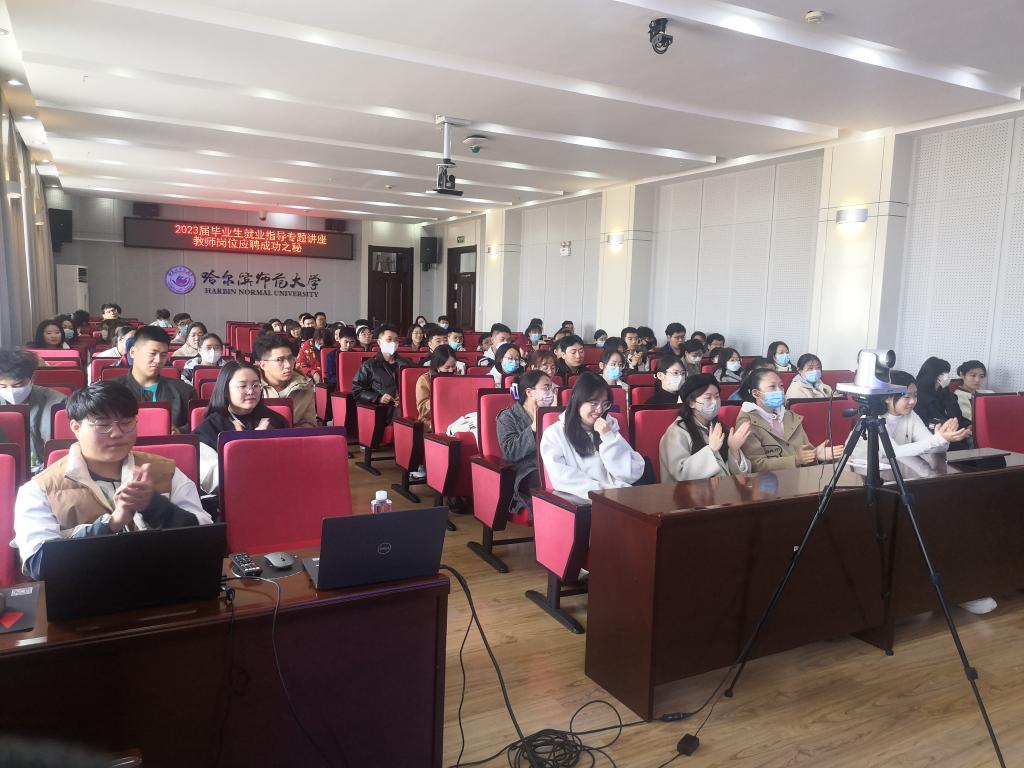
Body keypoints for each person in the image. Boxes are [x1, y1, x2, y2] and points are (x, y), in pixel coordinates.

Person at [13, 381, 212, 580]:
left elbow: (205, 539)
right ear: (75, 427)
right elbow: (39, 565)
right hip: (84, 592)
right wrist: (112, 523)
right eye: (102, 424)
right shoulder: (39, 489)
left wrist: (154, 506)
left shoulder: (166, 471)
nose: (117, 433)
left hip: (166, 582)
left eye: (126, 423)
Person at [844, 370, 988, 614]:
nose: (913, 401)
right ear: (887, 397)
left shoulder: (911, 416)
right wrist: (936, 440)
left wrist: (944, 438)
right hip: (866, 491)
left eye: (915, 395)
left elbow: (931, 447)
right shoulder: (871, 421)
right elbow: (894, 452)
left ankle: (959, 588)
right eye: (906, 396)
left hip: (902, 483)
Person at [539, 372, 651, 498]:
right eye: (594, 403)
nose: (600, 410)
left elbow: (632, 473)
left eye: (605, 404)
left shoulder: (608, 426)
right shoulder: (554, 434)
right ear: (577, 400)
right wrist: (607, 494)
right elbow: (563, 479)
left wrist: (608, 438)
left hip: (622, 497)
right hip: (590, 501)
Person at [194, 361, 288, 493]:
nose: (251, 391)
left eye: (256, 385)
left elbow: (289, 465)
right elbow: (212, 482)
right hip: (231, 496)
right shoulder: (208, 430)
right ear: (226, 391)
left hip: (277, 491)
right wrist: (245, 449)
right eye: (242, 386)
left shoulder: (275, 421)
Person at [734, 369, 841, 471]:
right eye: (772, 386)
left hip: (801, 477)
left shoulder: (790, 416)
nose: (779, 391)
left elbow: (805, 453)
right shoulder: (747, 422)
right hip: (770, 481)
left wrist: (816, 455)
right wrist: (796, 460)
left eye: (781, 386)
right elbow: (756, 465)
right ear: (756, 393)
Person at [659, 374, 751, 482]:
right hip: (691, 491)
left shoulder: (718, 427)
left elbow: (739, 475)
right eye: (708, 397)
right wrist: (711, 450)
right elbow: (680, 473)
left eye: (717, 396)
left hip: (723, 488)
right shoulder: (677, 432)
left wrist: (734, 450)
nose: (715, 402)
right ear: (692, 403)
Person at [111, 326, 195, 432]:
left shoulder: (184, 392)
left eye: (163, 355)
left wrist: (180, 432)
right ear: (132, 352)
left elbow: (196, 427)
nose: (158, 360)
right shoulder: (110, 391)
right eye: (152, 353)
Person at [497, 369, 556, 516]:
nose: (551, 392)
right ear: (529, 392)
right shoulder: (508, 416)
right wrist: (533, 428)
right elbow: (510, 452)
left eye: (552, 388)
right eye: (546, 388)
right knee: (549, 482)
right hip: (527, 471)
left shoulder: (553, 414)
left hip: (554, 465)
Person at [0, 350, 67, 471]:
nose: (11, 391)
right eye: (2, 386)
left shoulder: (58, 403)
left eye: (17, 385)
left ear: (32, 379)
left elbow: (62, 449)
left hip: (48, 469)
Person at [351, 324, 412, 424]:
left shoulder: (406, 363)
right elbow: (357, 391)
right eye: (389, 340)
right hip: (383, 409)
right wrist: (378, 398)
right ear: (379, 342)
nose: (393, 343)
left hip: (405, 406)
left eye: (396, 340)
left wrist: (404, 398)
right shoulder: (369, 365)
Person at [255, 334, 317, 429]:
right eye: (280, 360)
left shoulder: (305, 385)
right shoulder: (251, 387)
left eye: (290, 358)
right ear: (263, 365)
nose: (288, 365)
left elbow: (309, 423)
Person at [915, 356, 971, 449]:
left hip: (953, 431)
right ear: (932, 374)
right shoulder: (919, 395)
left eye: (947, 373)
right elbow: (925, 421)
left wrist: (967, 425)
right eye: (943, 373)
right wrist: (950, 427)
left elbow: (957, 416)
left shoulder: (945, 392)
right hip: (933, 435)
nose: (947, 376)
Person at [415, 345, 459, 433]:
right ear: (437, 366)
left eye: (453, 366)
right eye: (447, 367)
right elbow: (423, 411)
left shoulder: (458, 378)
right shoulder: (425, 380)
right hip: (431, 421)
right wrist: (438, 399)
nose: (451, 370)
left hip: (455, 419)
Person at [953, 360, 989, 424]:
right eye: (973, 375)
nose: (977, 380)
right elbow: (972, 420)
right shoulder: (957, 397)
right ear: (962, 375)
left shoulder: (988, 393)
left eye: (981, 376)